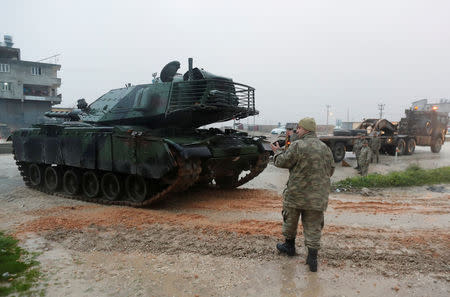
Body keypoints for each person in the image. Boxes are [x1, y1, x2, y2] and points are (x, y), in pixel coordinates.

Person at [270, 117, 335, 272]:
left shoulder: (297, 145)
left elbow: (282, 162)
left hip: (296, 194)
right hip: (317, 196)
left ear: (305, 129)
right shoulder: (325, 148)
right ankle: (312, 259)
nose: (296, 131)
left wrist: (277, 152)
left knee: (290, 220)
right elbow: (331, 170)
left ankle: (289, 247)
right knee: (313, 226)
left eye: (298, 128)